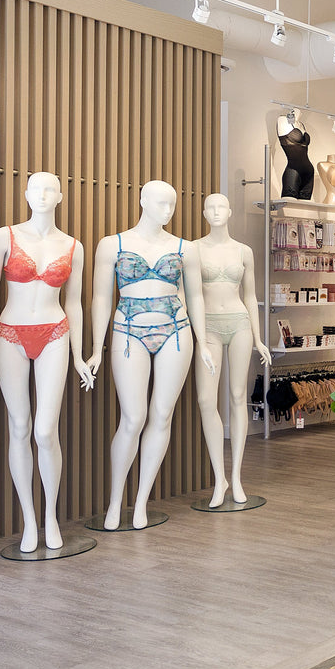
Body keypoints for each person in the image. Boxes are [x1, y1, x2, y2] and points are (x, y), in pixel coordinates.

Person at [0, 172, 94, 553]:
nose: (42, 195)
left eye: (50, 189)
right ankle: (29, 519)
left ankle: (50, 516)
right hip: (10, 334)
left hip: (56, 333)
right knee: (20, 426)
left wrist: (79, 355)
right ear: (25, 194)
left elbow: (74, 303)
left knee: (44, 430)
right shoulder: (4, 237)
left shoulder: (73, 246)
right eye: (36, 189)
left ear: (60, 196)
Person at [87, 180, 215, 530]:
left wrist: (203, 342)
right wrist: (96, 348)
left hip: (176, 330)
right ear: (142, 200)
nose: (168, 210)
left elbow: (195, 297)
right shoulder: (112, 245)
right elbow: (101, 298)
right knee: (133, 417)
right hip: (128, 330)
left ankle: (141, 501)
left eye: (172, 204)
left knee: (161, 414)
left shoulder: (185, 248)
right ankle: (116, 501)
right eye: (161, 203)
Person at [194, 194, 272, 507]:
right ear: (204, 213)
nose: (216, 212)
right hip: (209, 326)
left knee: (238, 396)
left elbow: (250, 296)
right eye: (210, 207)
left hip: (239, 323)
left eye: (221, 207)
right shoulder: (194, 249)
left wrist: (258, 338)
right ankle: (219, 478)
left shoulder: (244, 251)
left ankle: (236, 476)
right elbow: (191, 295)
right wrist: (198, 337)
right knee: (205, 399)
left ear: (229, 212)